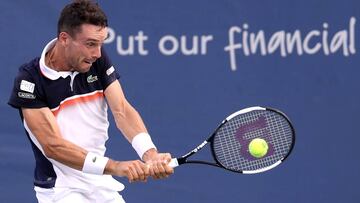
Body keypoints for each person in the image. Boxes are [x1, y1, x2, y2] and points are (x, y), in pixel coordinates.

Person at [8, 0, 174, 202]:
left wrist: (150, 154)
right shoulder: (30, 80)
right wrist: (115, 166)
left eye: (101, 43)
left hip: (101, 185)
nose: (97, 53)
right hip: (61, 190)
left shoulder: (95, 59)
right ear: (64, 39)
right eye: (90, 44)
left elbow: (121, 110)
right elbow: (53, 146)